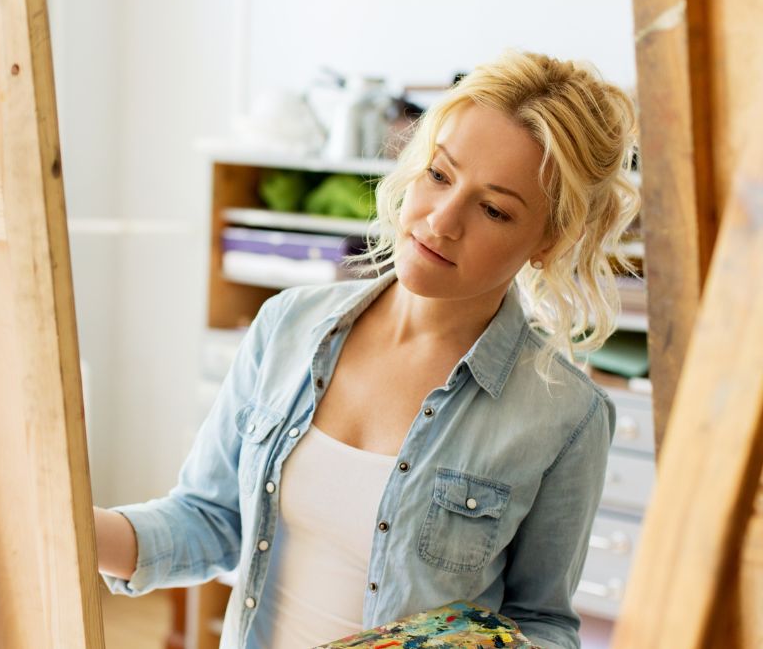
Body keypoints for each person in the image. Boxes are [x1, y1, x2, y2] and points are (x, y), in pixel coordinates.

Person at [93, 48, 640, 649]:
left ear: (549, 239)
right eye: (438, 174)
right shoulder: (287, 326)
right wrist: (73, 529)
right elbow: (210, 520)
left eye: (492, 209)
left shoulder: (567, 417)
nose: (440, 221)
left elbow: (544, 625)